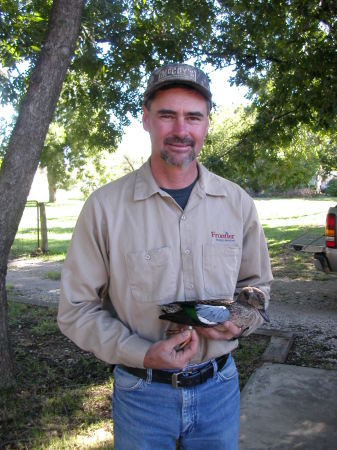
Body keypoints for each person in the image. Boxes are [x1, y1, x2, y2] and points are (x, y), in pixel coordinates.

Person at [58, 62, 273, 449]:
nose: (180, 130)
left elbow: (256, 287)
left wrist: (240, 321)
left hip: (219, 389)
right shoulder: (105, 207)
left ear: (207, 124)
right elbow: (76, 309)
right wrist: (142, 353)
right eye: (167, 115)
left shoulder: (237, 202)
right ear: (145, 119)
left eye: (193, 117)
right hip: (141, 394)